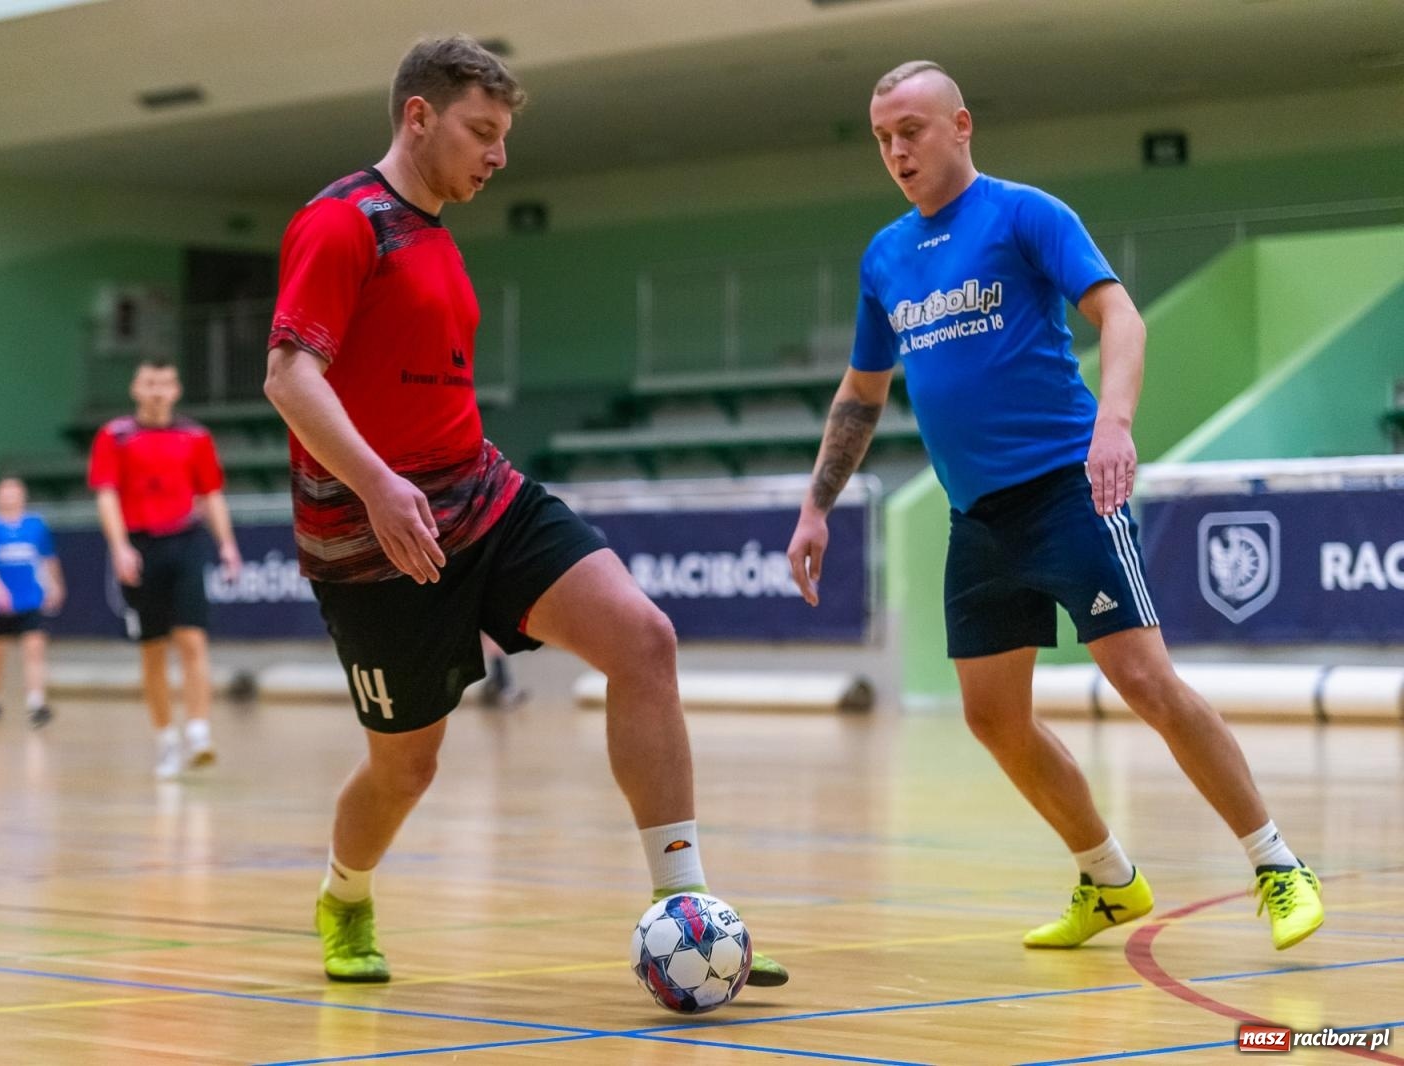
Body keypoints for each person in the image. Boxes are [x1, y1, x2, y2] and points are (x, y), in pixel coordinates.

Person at [263, 34, 788, 986]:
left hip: (482, 496)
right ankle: (344, 896)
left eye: (504, 136)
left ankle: (689, 912)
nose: (498, 156)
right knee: (405, 771)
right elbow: (291, 376)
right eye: (482, 132)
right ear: (417, 117)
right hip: (375, 539)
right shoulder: (342, 223)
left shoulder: (434, 234)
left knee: (644, 640)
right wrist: (379, 486)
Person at [787, 61, 1322, 952]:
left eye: (911, 130)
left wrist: (1113, 424)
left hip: (1072, 489)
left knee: (1143, 680)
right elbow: (862, 392)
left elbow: (1122, 319)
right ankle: (1108, 878)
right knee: (992, 716)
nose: (896, 151)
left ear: (961, 126)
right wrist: (816, 507)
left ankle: (1277, 863)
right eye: (883, 137)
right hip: (978, 518)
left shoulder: (1026, 212)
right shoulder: (884, 257)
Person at [88, 359, 242, 779]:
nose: (157, 390)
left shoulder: (195, 437)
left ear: (176, 390)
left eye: (165, 383)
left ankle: (199, 732)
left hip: (186, 543)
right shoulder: (114, 436)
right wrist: (119, 547)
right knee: (153, 649)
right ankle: (166, 741)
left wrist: (226, 545)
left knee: (193, 640)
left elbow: (211, 495)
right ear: (136, 388)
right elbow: (106, 495)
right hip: (139, 548)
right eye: (149, 383)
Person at [0, 476, 64, 727]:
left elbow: (48, 557)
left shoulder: (35, 525)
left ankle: (36, 703)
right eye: (4, 493)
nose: (9, 498)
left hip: (30, 600)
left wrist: (55, 585)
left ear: (23, 496)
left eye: (14, 493)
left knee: (34, 650)